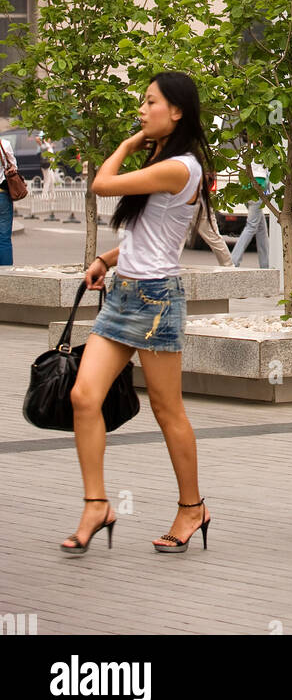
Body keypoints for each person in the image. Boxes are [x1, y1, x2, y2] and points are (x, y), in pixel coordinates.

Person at [60, 71, 214, 557]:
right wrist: (106, 260)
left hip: (156, 303)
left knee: (167, 410)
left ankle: (193, 508)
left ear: (177, 112)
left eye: (151, 103)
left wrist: (127, 143)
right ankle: (96, 504)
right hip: (125, 293)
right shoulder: (163, 159)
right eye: (142, 103)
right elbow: (145, 239)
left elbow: (101, 185)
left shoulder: (180, 167)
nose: (142, 110)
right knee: (84, 396)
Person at [182, 173, 233, 267]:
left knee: (212, 235)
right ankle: (229, 267)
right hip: (191, 194)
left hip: (193, 195)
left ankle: (229, 267)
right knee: (177, 235)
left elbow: (209, 176)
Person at [230, 161, 269, 268]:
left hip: (245, 189)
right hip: (258, 188)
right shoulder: (263, 152)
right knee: (251, 226)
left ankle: (265, 264)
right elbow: (267, 173)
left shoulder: (245, 152)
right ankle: (233, 261)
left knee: (261, 230)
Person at [0, 134, 18, 266]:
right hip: (2, 195)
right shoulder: (4, 144)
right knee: (4, 238)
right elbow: (13, 167)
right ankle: (6, 275)